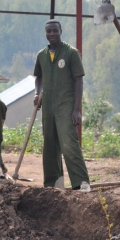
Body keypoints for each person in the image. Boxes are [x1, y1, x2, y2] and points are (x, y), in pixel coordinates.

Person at [33, 19, 91, 192]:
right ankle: (53, 183)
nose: (51, 34)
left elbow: (79, 80)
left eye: (54, 31)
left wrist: (77, 109)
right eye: (48, 31)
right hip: (48, 106)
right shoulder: (41, 55)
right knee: (50, 144)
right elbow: (38, 77)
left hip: (66, 104)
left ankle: (81, 183)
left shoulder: (71, 53)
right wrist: (37, 93)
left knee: (68, 143)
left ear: (61, 31)